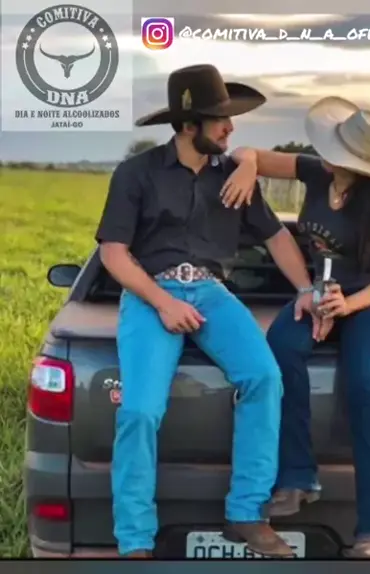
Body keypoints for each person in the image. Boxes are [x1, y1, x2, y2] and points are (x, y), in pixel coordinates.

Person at [94, 64, 319, 559]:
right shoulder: (137, 173)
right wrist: (164, 302)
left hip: (214, 294)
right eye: (220, 119)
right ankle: (135, 539)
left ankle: (247, 513)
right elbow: (113, 253)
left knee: (264, 377)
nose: (230, 128)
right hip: (151, 294)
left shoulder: (232, 176)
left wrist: (306, 288)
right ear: (188, 124)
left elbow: (276, 236)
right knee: (139, 410)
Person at [219, 96, 370, 558]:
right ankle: (298, 477)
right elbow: (247, 152)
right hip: (323, 294)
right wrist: (248, 167)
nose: (326, 153)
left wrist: (346, 306)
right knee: (282, 344)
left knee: (364, 385)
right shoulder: (313, 171)